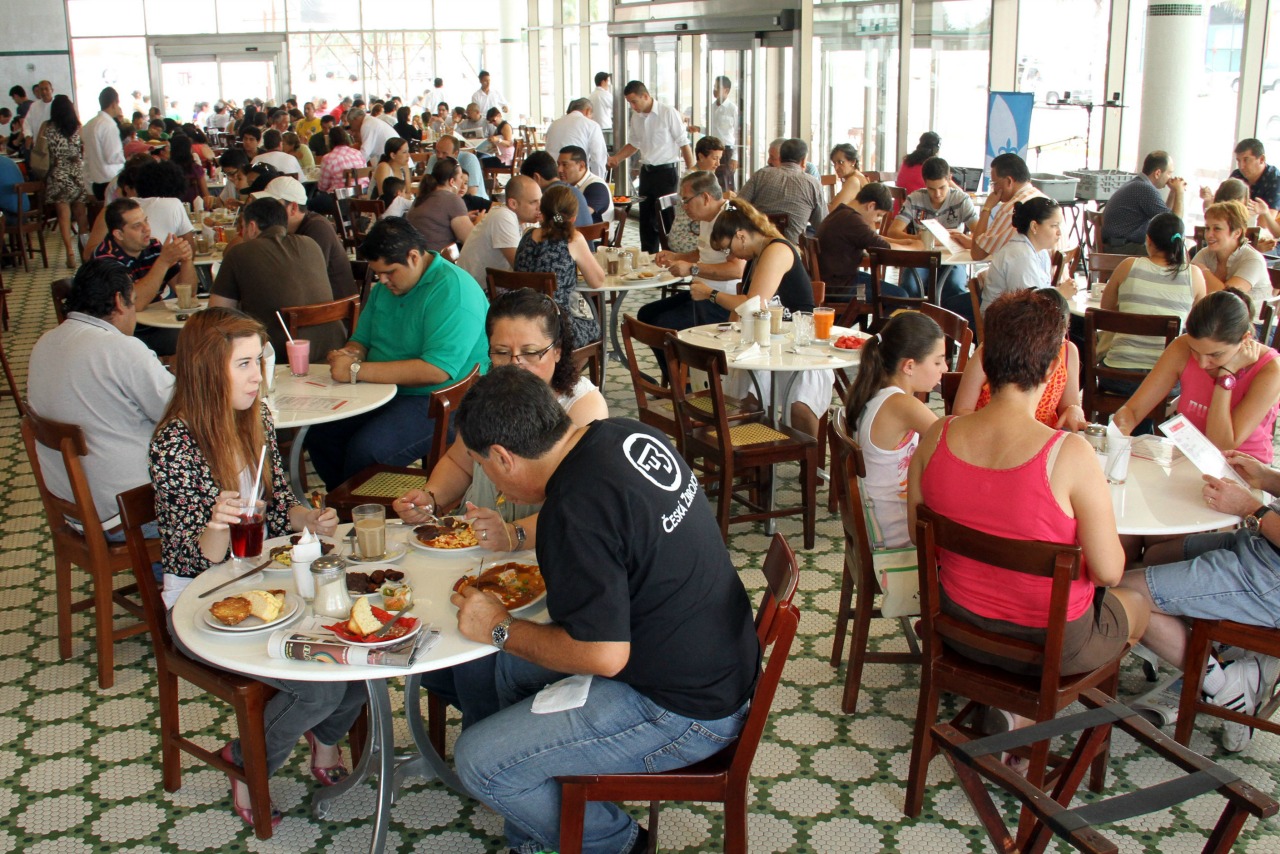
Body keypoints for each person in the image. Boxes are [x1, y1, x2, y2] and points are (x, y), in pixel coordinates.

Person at [447, 366, 759, 854]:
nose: (487, 476)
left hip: (686, 711)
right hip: (722, 661)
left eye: (483, 465)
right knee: (508, 670)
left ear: (504, 457)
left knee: (478, 762)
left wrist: (499, 627)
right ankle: (539, 821)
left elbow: (603, 656)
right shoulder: (623, 433)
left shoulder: (573, 511)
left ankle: (618, 844)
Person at [908, 289, 1149, 747]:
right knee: (1138, 601)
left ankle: (1009, 709)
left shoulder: (937, 435)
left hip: (956, 626)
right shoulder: (1070, 454)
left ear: (986, 359)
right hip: (1048, 645)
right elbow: (1108, 572)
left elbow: (920, 535)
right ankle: (1032, 719)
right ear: (1053, 366)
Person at [149, 307, 360, 829]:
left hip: (264, 582)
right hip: (198, 599)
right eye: (243, 365)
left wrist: (310, 518)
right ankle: (244, 761)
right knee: (321, 686)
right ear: (207, 370)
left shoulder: (257, 416)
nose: (257, 377)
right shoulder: (174, 444)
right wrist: (216, 524)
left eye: (257, 362)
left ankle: (324, 739)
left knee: (359, 658)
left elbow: (280, 504)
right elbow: (198, 557)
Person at [392, 287, 608, 560]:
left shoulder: (582, 406)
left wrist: (513, 534)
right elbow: (460, 462)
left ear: (557, 351)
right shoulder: (488, 394)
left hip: (541, 548)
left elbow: (579, 504)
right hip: (473, 539)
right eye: (502, 352)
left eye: (531, 352)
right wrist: (431, 499)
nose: (515, 365)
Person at [303, 218, 490, 489]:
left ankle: (356, 502)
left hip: (441, 399)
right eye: (377, 274)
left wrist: (355, 370)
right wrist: (350, 354)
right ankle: (347, 500)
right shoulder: (386, 288)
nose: (382, 281)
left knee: (367, 451)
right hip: (383, 389)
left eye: (389, 272)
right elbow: (361, 340)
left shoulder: (454, 290)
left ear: (413, 257)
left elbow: (436, 370)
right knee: (320, 434)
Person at [1120, 451, 1280, 752]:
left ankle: (1225, 685)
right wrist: (1266, 477)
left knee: (1125, 596)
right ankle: (1227, 653)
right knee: (1156, 556)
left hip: (1268, 579)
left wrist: (1250, 507)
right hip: (1261, 547)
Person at [27, 259, 175, 529]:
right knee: (228, 495)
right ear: (119, 301)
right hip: (126, 512)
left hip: (74, 510)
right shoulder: (120, 348)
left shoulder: (44, 343)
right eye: (133, 302)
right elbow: (179, 412)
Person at [703, 199, 829, 439]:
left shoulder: (777, 250)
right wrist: (726, 334)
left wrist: (711, 294)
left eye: (728, 249)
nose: (730, 256)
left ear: (740, 236)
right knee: (747, 398)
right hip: (770, 342)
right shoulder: (755, 257)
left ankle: (809, 459)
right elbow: (743, 309)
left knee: (799, 407)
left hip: (801, 342)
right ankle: (757, 452)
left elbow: (754, 304)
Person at [1113, 288, 1280, 462]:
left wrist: (1226, 376)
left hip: (1242, 467)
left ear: (1245, 339)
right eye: (1195, 351)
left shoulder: (1270, 370)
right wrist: (1119, 438)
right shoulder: (1182, 347)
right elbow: (1131, 411)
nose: (1202, 363)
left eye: (1215, 355)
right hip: (1188, 458)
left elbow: (1222, 445)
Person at [843, 311, 945, 547]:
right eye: (938, 361)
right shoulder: (901, 405)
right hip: (896, 537)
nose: (945, 368)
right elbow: (951, 441)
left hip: (878, 524)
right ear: (909, 366)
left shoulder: (876, 392)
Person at [209, 197, 346, 360]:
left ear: (252, 227)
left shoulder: (239, 253)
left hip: (279, 353)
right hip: (333, 348)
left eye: (242, 228)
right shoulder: (311, 244)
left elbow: (217, 315)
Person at [636, 171, 747, 364]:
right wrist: (677, 256)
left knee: (663, 326)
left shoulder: (729, 219)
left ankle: (682, 379)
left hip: (721, 301)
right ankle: (676, 376)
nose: (683, 206)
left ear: (706, 197)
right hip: (700, 292)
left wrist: (692, 269)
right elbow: (703, 252)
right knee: (646, 315)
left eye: (686, 200)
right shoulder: (706, 217)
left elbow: (737, 270)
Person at [1098, 212, 1205, 398]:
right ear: (1182, 241)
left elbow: (1105, 312)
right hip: (1166, 382)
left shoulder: (1128, 266)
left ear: (1148, 240)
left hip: (1117, 376)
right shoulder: (1194, 276)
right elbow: (1198, 327)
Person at [955, 288, 1088, 431]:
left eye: (1060, 337)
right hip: (993, 433)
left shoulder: (1068, 351)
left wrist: (1074, 410)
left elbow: (1068, 406)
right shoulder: (993, 350)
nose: (1053, 345)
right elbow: (960, 411)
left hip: (1042, 437)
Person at [606, 81, 694, 253]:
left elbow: (684, 143)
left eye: (634, 102)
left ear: (645, 96)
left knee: (667, 219)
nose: (633, 106)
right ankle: (648, 258)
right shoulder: (636, 117)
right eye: (629, 103)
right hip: (646, 173)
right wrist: (616, 158)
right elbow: (634, 144)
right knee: (646, 221)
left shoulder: (667, 112)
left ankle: (673, 257)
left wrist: (691, 175)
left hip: (666, 173)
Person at [513, 184, 605, 346]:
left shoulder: (527, 235)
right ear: (573, 217)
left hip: (521, 319)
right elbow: (597, 281)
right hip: (556, 325)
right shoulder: (572, 239)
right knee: (594, 327)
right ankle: (565, 363)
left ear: (542, 212)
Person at [888, 155, 978, 308]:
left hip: (954, 257)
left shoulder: (961, 200)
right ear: (924, 183)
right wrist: (920, 238)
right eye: (931, 189)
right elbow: (893, 232)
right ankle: (915, 321)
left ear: (949, 179)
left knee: (954, 286)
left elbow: (980, 234)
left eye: (942, 188)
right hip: (922, 256)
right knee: (910, 286)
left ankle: (947, 322)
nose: (937, 194)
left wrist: (966, 239)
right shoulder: (915, 198)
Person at [90, 198, 196, 312]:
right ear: (119, 234)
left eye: (146, 221)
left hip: (155, 317)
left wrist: (186, 259)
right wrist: (163, 262)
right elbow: (133, 304)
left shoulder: (154, 246)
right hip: (126, 321)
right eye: (137, 225)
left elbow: (188, 294)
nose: (147, 228)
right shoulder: (104, 258)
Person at [949, 152, 1045, 262]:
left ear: (1009, 181)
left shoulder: (1011, 209)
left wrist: (987, 208)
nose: (994, 189)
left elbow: (977, 254)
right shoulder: (1044, 199)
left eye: (995, 183)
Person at [978, 196, 1062, 314]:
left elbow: (1040, 292)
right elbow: (1029, 305)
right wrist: (1060, 293)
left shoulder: (1040, 251)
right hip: (1003, 321)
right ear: (1034, 227)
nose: (1059, 232)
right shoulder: (1021, 256)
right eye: (1054, 226)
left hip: (1020, 318)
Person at [814, 182, 897, 303]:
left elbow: (875, 239)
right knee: (900, 296)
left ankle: (863, 313)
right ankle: (866, 314)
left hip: (835, 282)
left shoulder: (842, 212)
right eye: (879, 215)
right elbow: (884, 247)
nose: (877, 220)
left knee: (886, 289)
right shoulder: (852, 220)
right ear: (871, 206)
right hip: (839, 289)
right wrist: (915, 247)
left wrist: (907, 242)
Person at [735, 138, 826, 245]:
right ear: (803, 161)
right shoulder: (813, 184)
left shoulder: (760, 175)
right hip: (793, 251)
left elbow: (737, 206)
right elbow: (823, 225)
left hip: (758, 248)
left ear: (781, 157)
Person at [457, 175, 541, 284]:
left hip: (494, 286)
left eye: (540, 201)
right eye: (533, 202)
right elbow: (521, 268)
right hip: (476, 289)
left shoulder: (523, 218)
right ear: (513, 204)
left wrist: (550, 223)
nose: (540, 207)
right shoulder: (503, 216)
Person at [1100, 151, 1186, 254]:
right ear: (1157, 173)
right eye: (1169, 173)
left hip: (1117, 245)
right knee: (1171, 253)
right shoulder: (1145, 189)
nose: (1170, 178)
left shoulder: (1138, 183)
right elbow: (1175, 223)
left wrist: (1173, 192)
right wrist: (1180, 191)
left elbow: (1164, 219)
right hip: (1123, 248)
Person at [43, 94, 92, 268]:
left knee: (64, 216)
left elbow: (41, 150)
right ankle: (85, 252)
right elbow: (83, 150)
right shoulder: (78, 127)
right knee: (81, 215)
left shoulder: (47, 127)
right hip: (77, 172)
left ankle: (70, 254)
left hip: (58, 173)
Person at [1192, 201, 1272, 306]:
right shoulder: (1205, 253)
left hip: (1247, 316)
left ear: (1237, 233)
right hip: (1213, 313)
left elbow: (1226, 300)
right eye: (1207, 228)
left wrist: (1202, 271)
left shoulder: (1253, 260)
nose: (1209, 234)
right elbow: (1185, 284)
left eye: (1217, 228)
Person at [665, 137, 723, 254]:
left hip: (699, 230)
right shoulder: (689, 179)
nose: (718, 163)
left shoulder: (708, 175)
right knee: (722, 247)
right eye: (714, 158)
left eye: (719, 159)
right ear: (701, 157)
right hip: (687, 234)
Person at [406, 156, 473, 253]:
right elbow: (470, 239)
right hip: (436, 259)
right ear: (452, 181)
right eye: (460, 177)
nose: (462, 182)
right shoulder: (453, 199)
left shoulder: (421, 197)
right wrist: (479, 222)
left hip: (416, 257)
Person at [520, 150, 593, 228]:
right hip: (588, 235)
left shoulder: (548, 195)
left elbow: (561, 219)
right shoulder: (574, 190)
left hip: (567, 234)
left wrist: (545, 219)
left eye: (527, 182)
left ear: (536, 177)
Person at [542, 98, 608, 179]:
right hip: (574, 177)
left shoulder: (554, 124)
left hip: (552, 176)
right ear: (588, 110)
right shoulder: (592, 125)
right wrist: (598, 181)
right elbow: (598, 160)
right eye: (591, 115)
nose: (592, 118)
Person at [1213, 138, 1280, 212]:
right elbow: (1219, 210)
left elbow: (1268, 218)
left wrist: (1264, 212)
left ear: (1262, 159)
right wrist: (1209, 201)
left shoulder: (1275, 180)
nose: (1241, 166)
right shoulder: (1237, 175)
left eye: (1246, 160)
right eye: (1238, 161)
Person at [82, 86, 126, 201]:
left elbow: (86, 157)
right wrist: (128, 154)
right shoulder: (108, 125)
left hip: (96, 181)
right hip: (111, 180)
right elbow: (112, 157)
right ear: (114, 104)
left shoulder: (89, 124)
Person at [427, 134, 490, 206]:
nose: (439, 156)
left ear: (455, 153)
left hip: (476, 205)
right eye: (437, 152)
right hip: (446, 203)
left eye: (444, 153)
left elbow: (471, 193)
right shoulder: (434, 158)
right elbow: (426, 185)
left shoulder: (469, 159)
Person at [555, 145, 612, 224]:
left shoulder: (596, 187)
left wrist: (552, 219)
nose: (559, 170)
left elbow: (574, 217)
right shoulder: (567, 186)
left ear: (581, 166)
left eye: (565, 165)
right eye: (558, 164)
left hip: (591, 232)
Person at [709, 76, 739, 190]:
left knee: (726, 183)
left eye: (717, 87)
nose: (714, 90)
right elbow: (712, 129)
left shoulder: (732, 109)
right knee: (713, 181)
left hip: (726, 151)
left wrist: (735, 156)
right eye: (714, 87)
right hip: (712, 149)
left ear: (726, 90)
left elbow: (738, 133)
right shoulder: (711, 107)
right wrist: (698, 129)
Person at [168, 133, 208, 206]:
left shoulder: (167, 169)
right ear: (189, 150)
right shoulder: (196, 169)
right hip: (195, 206)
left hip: (173, 206)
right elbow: (205, 194)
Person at [827, 142, 868, 213]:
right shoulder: (855, 177)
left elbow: (833, 211)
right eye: (834, 163)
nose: (836, 168)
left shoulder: (854, 181)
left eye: (840, 162)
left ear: (853, 162)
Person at [589, 71, 612, 148]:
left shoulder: (591, 95)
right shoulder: (605, 95)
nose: (609, 84)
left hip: (594, 127)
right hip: (605, 128)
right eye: (608, 81)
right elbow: (616, 107)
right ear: (603, 82)